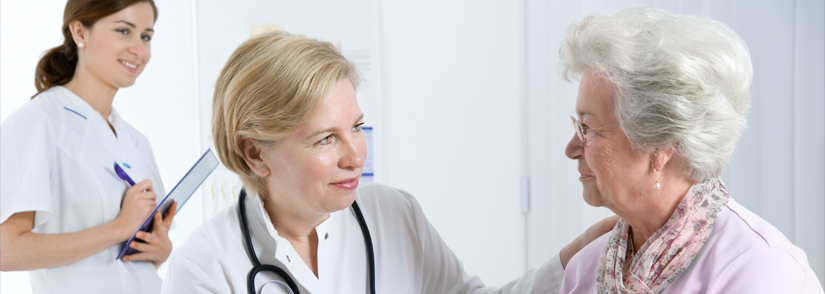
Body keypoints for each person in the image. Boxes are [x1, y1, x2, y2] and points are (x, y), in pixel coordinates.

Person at [161, 30, 616, 294]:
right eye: (325, 139)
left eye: (356, 127)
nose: (356, 154)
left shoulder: (393, 214)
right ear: (256, 154)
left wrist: (567, 264)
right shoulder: (205, 267)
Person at [558, 7, 824, 293]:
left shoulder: (761, 269)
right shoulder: (583, 269)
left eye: (587, 128)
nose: (571, 149)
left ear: (659, 147)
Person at [0, 0, 177, 293]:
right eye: (124, 31)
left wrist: (159, 250)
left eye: (146, 36)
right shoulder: (37, 123)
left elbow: (119, 263)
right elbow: (5, 249)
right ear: (80, 32)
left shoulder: (136, 142)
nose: (139, 50)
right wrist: (118, 228)